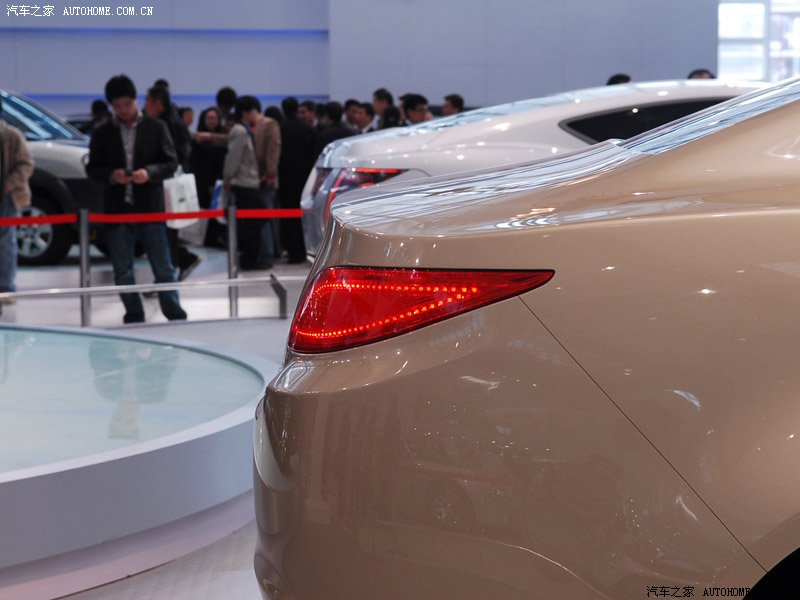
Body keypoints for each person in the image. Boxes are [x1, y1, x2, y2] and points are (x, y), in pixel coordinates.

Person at [85, 74, 187, 324]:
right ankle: (134, 314)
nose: (123, 110)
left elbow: (171, 162)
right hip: (118, 209)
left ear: (136, 100)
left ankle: (174, 313)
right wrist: (113, 175)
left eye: (127, 104)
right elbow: (93, 168)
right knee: (122, 270)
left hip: (150, 208)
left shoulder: (156, 127)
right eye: (117, 106)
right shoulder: (103, 133)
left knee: (163, 267)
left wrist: (148, 173)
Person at [144, 85, 201, 281]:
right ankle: (178, 264)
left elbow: (170, 157)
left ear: (158, 103)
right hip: (173, 183)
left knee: (165, 233)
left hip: (166, 185)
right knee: (168, 232)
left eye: (147, 101)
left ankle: (168, 275)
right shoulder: (175, 120)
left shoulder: (163, 124)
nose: (145, 106)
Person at [223, 97, 273, 270]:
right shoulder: (239, 131)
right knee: (254, 221)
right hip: (243, 184)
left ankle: (250, 259)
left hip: (249, 183)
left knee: (254, 221)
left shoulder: (244, 130)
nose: (256, 116)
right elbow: (233, 157)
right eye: (254, 112)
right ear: (245, 112)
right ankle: (248, 258)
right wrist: (227, 178)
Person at [0, 101, 33, 316]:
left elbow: (26, 164)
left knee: (6, 241)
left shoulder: (12, 135)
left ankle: (6, 288)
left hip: (7, 194)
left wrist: (9, 184)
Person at [240, 95, 281, 263]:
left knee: (265, 219)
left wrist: (271, 173)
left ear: (249, 112)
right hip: (256, 180)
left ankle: (267, 255)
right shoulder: (252, 127)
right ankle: (267, 253)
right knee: (263, 219)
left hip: (266, 178)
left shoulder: (269, 124)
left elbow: (274, 148)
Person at [278, 96, 317, 263]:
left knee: (288, 217)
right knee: (303, 216)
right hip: (304, 178)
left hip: (285, 178)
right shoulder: (307, 128)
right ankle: (304, 250)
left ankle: (292, 251)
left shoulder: (280, 128)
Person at [190, 107, 228, 247]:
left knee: (217, 212)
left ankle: (216, 239)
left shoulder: (223, 139)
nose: (211, 121)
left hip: (218, 181)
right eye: (208, 118)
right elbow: (194, 163)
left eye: (214, 118)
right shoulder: (197, 140)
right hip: (201, 181)